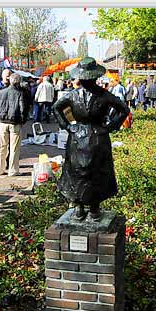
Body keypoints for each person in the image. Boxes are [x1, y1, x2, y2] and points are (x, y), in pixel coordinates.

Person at [52, 57, 130, 221]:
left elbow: (124, 109)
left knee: (95, 171)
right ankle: (82, 207)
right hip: (83, 136)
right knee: (78, 171)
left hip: (93, 137)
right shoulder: (76, 95)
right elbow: (56, 108)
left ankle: (92, 208)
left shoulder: (99, 95)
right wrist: (67, 126)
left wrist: (111, 126)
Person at [0, 73, 28, 177]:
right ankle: (13, 170)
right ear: (19, 82)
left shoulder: (1, 92)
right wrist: (23, 120)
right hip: (15, 122)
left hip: (3, 122)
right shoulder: (19, 94)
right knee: (14, 148)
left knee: (1, 147)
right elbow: (23, 109)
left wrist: (2, 114)